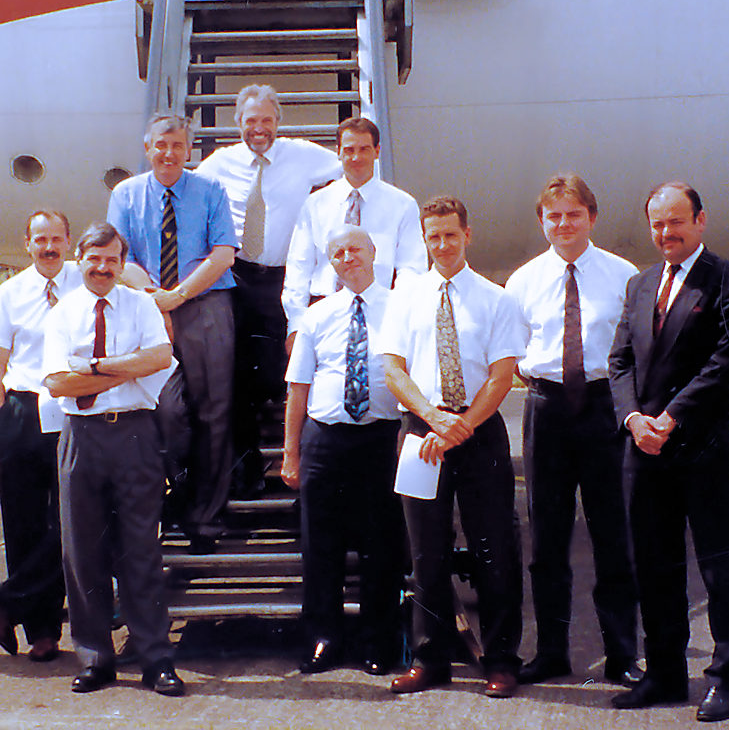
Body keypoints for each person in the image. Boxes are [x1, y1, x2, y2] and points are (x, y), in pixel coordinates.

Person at [609, 183, 729, 722]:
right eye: (657, 224)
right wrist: (633, 419)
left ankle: (725, 678)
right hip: (645, 449)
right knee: (654, 566)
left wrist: (670, 418)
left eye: (676, 222)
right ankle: (666, 673)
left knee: (719, 568)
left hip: (700, 448)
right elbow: (620, 361)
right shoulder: (640, 283)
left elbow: (727, 363)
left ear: (700, 220)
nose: (665, 233)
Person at [382, 196, 524, 698]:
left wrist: (458, 426)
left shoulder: (495, 298)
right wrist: (434, 418)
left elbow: (501, 376)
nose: (442, 244)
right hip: (422, 433)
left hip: (478, 432)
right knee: (426, 552)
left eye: (450, 234)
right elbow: (394, 370)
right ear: (424, 239)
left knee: (494, 549)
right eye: (433, 236)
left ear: (468, 235)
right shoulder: (405, 296)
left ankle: (501, 660)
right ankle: (430, 659)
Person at [504, 174, 642, 687]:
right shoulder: (522, 281)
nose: (564, 224)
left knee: (613, 535)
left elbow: (634, 350)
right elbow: (516, 353)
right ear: (542, 221)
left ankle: (622, 655)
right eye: (554, 216)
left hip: (605, 408)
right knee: (547, 538)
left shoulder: (623, 275)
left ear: (592, 217)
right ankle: (551, 652)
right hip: (548, 409)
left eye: (574, 214)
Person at [43, 222, 184, 696]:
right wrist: (128, 368)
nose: (102, 268)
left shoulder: (141, 305)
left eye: (111, 260)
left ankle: (156, 659)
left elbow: (160, 357)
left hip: (134, 435)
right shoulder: (63, 313)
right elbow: (58, 383)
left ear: (122, 264)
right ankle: (95, 659)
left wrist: (95, 367)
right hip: (80, 437)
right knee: (82, 552)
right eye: (94, 259)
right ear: (79, 260)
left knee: (140, 550)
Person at [196, 84, 341, 498]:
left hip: (286, 280)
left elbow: (349, 169)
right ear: (237, 123)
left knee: (290, 370)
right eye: (250, 121)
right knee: (236, 375)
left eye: (265, 120)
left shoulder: (304, 155)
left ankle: (303, 469)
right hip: (238, 278)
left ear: (278, 121)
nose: (258, 128)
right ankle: (247, 469)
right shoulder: (219, 163)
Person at [107, 114, 238, 554]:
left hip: (205, 305)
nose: (168, 154)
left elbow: (223, 254)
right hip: (148, 306)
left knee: (214, 413)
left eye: (177, 146)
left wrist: (178, 295)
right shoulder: (126, 194)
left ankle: (205, 518)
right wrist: (154, 298)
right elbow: (119, 257)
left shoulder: (210, 190)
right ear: (148, 148)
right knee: (165, 409)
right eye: (160, 145)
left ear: (188, 149)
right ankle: (178, 493)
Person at [281, 227, 404, 676]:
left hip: (381, 438)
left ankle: (377, 641)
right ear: (329, 262)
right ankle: (323, 638)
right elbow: (299, 387)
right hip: (325, 439)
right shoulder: (317, 316)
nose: (348, 257)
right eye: (338, 253)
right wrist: (291, 453)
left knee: (381, 545)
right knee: (320, 545)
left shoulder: (401, 309)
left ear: (374, 252)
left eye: (355, 249)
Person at [0, 210, 81, 662]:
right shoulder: (11, 292)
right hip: (23, 409)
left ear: (68, 241)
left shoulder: (87, 282)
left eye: (56, 238)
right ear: (27, 244)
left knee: (72, 521)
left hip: (73, 409)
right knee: (23, 523)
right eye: (40, 239)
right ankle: (43, 633)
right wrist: (2, 419)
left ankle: (8, 597)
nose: (49, 247)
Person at [282, 116, 426, 349]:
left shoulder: (402, 205)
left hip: (380, 312)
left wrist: (400, 314)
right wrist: (296, 324)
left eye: (364, 149)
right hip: (323, 309)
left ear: (377, 151)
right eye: (349, 150)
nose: (356, 157)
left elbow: (412, 268)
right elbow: (299, 266)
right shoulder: (315, 204)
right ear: (338, 152)